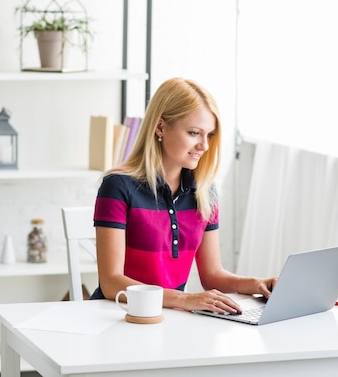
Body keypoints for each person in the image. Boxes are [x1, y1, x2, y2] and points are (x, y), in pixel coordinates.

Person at [91, 77, 277, 314]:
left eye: (209, 135)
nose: (204, 146)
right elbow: (111, 283)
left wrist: (257, 284)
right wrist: (184, 299)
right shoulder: (118, 186)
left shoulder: (204, 191)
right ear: (160, 127)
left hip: (170, 316)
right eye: (194, 133)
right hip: (118, 315)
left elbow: (212, 275)